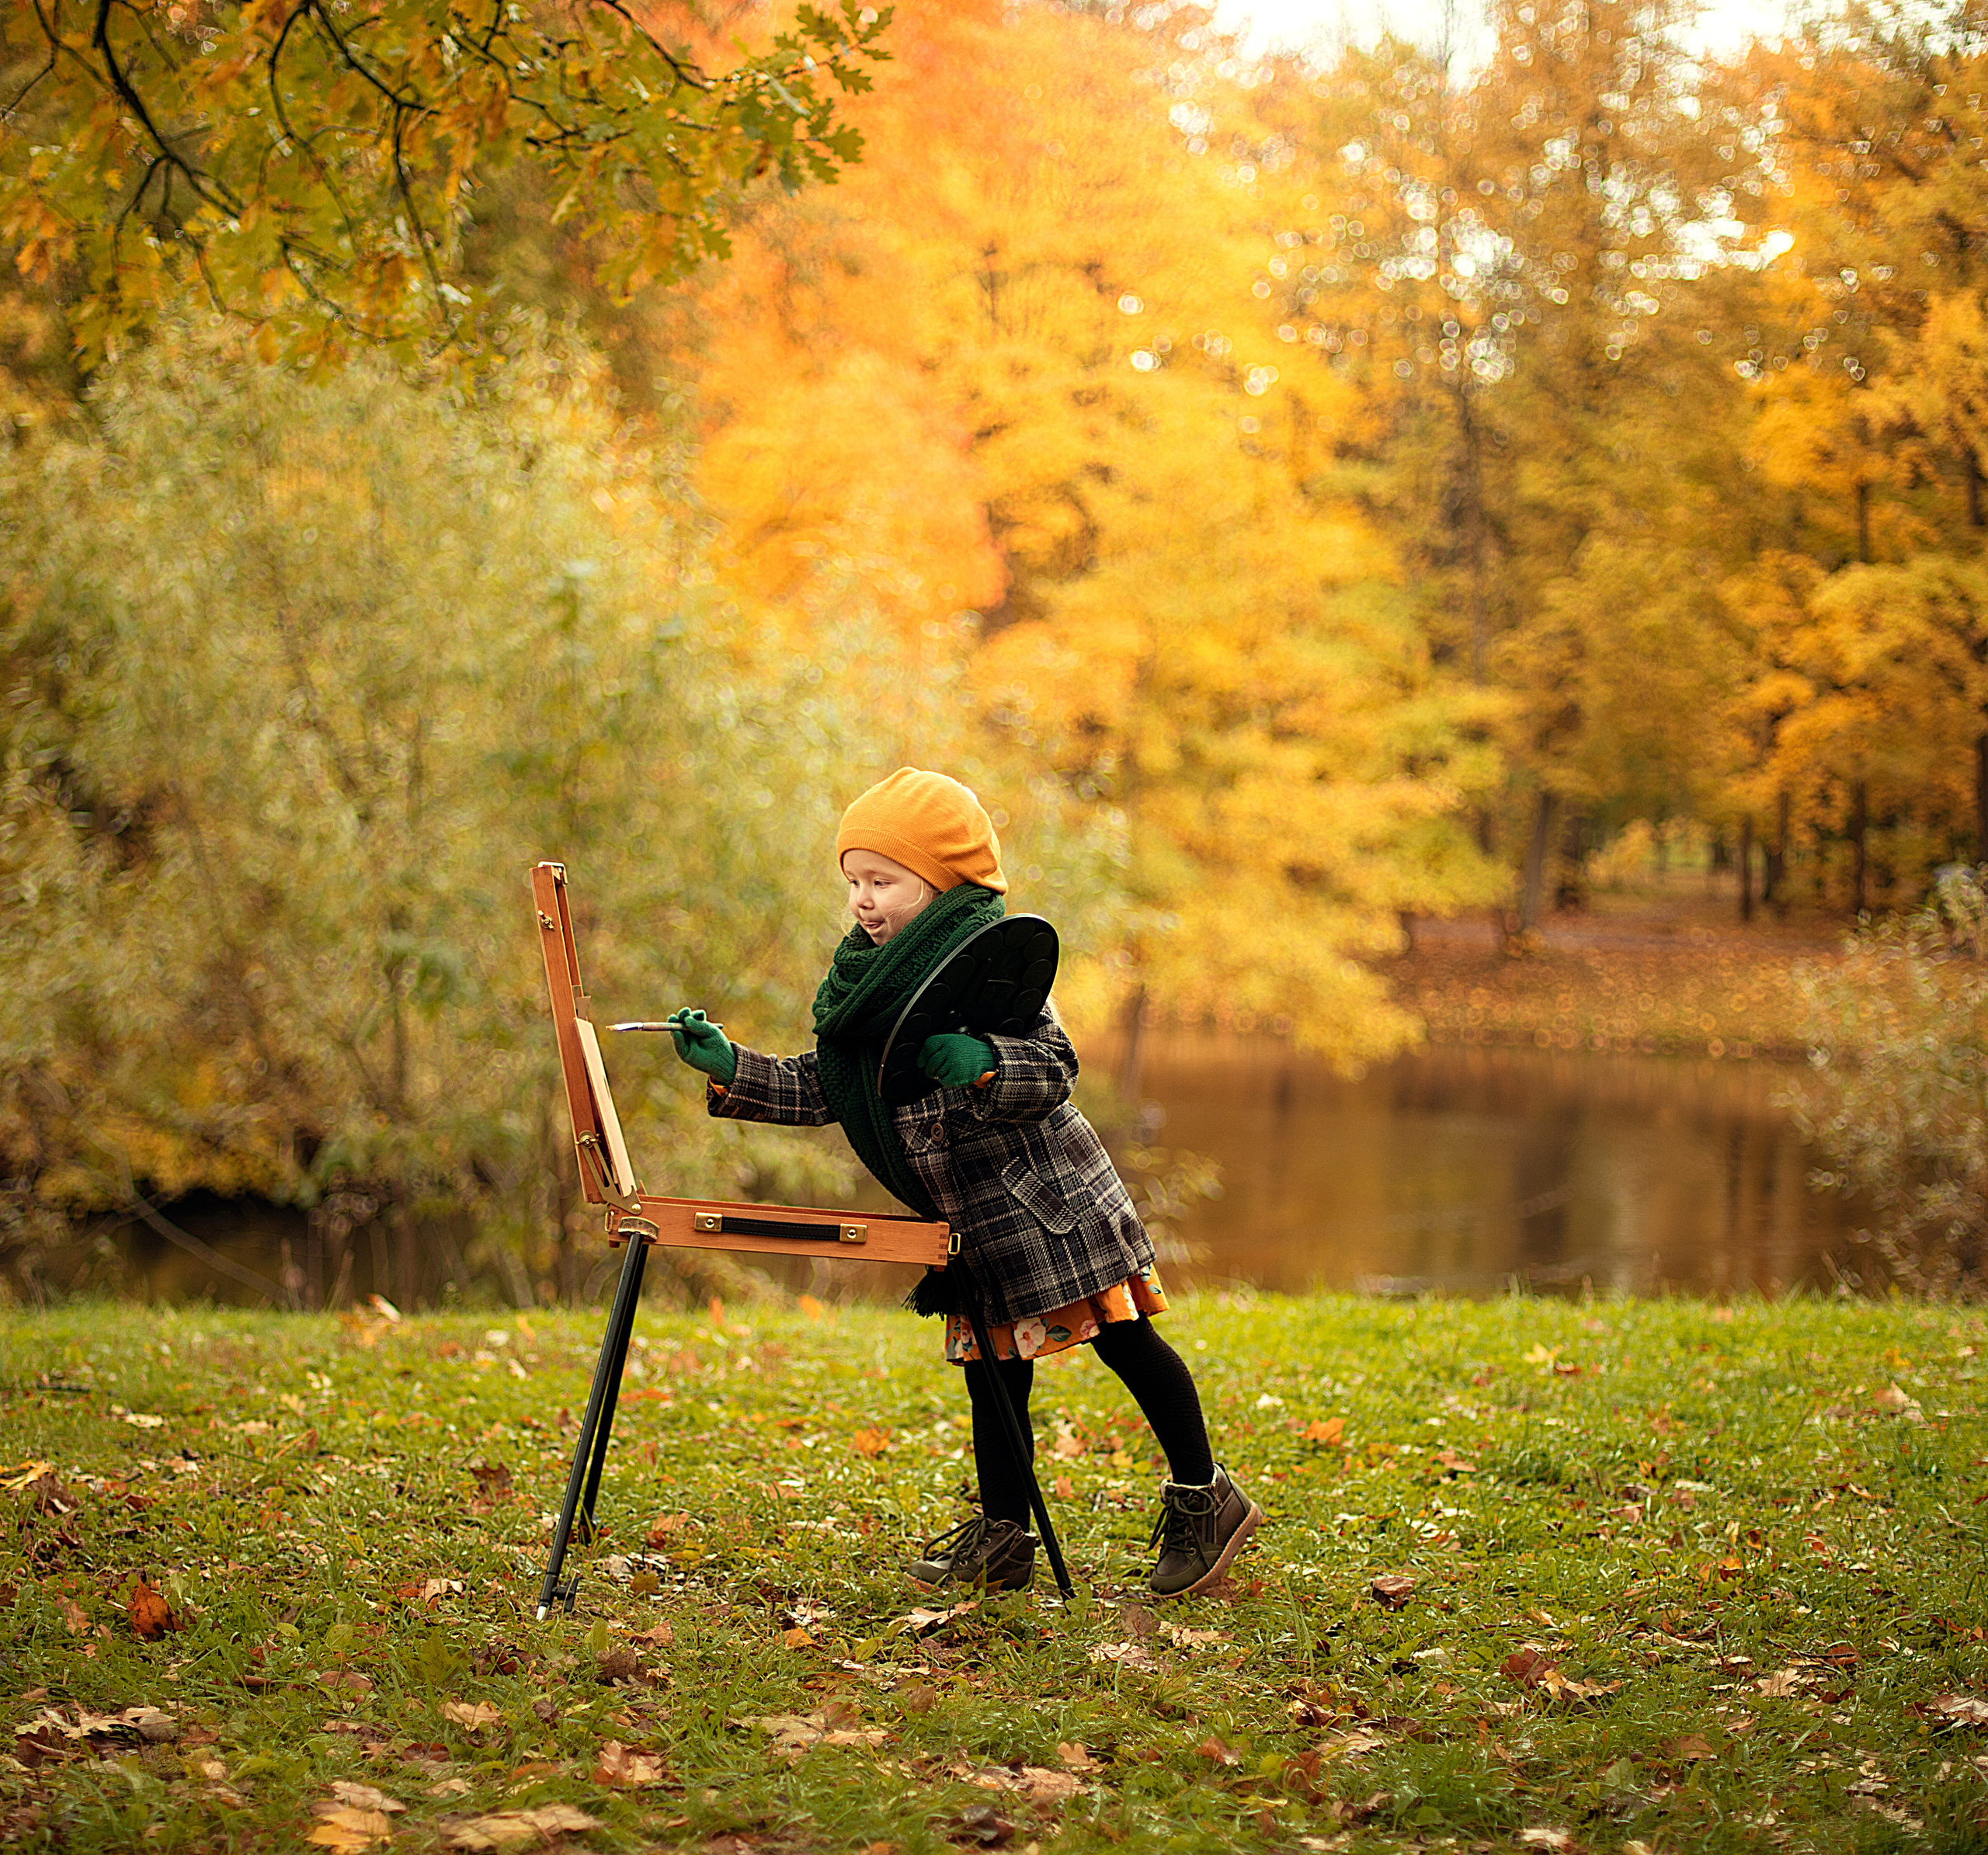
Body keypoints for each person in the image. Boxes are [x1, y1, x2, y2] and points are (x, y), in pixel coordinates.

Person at [662, 767, 1260, 1599]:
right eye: (853, 882)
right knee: (992, 1371)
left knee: (1127, 1342)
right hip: (970, 1227)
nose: (862, 901)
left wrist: (985, 1063)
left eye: (883, 881)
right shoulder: (866, 983)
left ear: (942, 883)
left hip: (1050, 1209)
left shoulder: (984, 966)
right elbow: (833, 1087)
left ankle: (1208, 1499)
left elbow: (1054, 1069)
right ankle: (1005, 1538)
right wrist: (735, 1068)